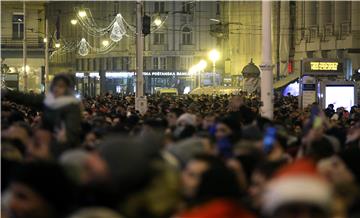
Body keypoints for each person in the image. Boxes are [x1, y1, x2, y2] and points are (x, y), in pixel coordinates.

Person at [42, 74, 82, 155]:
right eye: (55, 85)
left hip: (63, 150)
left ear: (67, 89)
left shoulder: (72, 106)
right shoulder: (49, 102)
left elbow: (71, 133)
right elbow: (30, 99)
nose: (56, 89)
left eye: (61, 86)